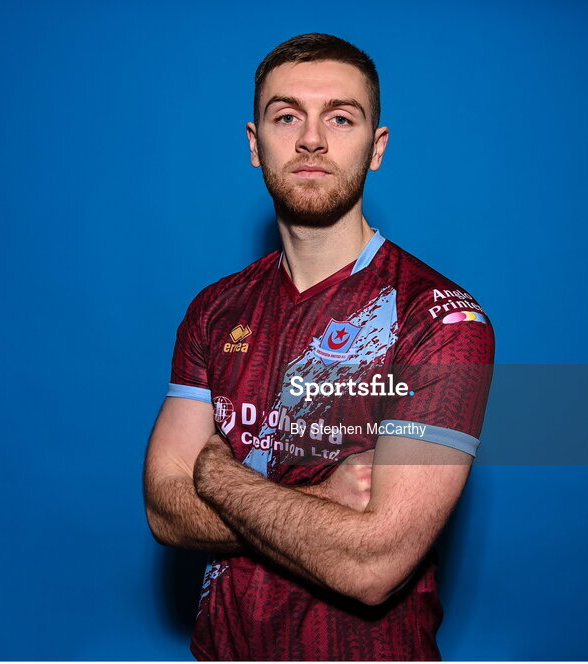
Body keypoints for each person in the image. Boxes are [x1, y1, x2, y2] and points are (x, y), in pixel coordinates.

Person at [143, 33, 494, 661]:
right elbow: (166, 510)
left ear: (376, 148)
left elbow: (374, 563)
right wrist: (320, 505)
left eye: (340, 117)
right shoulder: (212, 310)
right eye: (286, 116)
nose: (311, 139)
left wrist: (217, 475)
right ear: (255, 144)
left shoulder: (441, 321)